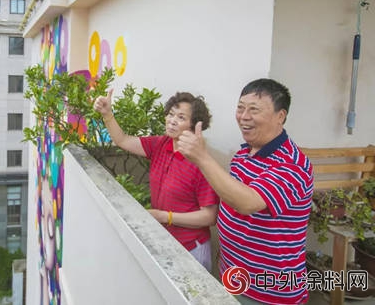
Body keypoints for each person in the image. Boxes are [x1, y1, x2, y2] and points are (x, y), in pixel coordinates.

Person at [177, 78, 313, 305]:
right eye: (240, 108)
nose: (244, 116)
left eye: (254, 110)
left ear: (280, 116)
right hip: (233, 277)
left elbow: (247, 203)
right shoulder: (243, 154)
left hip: (268, 293)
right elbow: (231, 199)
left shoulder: (292, 164)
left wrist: (201, 158)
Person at [93, 90, 219, 270]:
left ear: (194, 125)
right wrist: (107, 115)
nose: (172, 120)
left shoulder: (200, 162)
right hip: (166, 243)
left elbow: (209, 216)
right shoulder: (161, 144)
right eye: (171, 114)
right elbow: (122, 140)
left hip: (191, 249)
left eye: (181, 117)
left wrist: (165, 217)